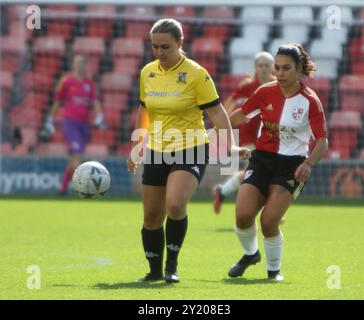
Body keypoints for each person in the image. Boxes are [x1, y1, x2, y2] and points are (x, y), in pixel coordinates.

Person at [126, 18, 250, 283]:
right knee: (151, 216)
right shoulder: (147, 72)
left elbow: (217, 112)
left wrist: (230, 147)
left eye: (165, 47)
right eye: (155, 46)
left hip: (191, 147)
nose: (159, 52)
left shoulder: (196, 74)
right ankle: (154, 271)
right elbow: (144, 109)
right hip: (157, 149)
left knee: (175, 204)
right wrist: (138, 146)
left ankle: (172, 265)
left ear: (180, 43)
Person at [228, 44, 328, 281]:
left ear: (299, 69)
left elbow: (322, 140)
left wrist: (309, 164)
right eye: (277, 68)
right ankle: (250, 254)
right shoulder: (264, 92)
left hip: (292, 165)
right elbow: (240, 116)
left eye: (286, 68)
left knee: (269, 221)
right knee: (242, 216)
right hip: (262, 159)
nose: (280, 73)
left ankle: (274, 273)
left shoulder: (310, 101)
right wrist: (222, 132)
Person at [213, 52, 276, 214]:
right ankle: (263, 210)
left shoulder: (277, 86)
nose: (263, 69)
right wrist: (221, 124)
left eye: (267, 65)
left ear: (273, 67)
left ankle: (222, 190)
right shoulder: (247, 86)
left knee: (253, 172)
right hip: (249, 135)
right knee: (257, 170)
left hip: (269, 134)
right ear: (255, 67)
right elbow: (230, 103)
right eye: (260, 65)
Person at [42, 54, 106, 195]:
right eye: (77, 63)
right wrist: (50, 119)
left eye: (82, 63)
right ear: (73, 65)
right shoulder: (66, 81)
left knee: (75, 158)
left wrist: (99, 116)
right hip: (70, 123)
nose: (79, 65)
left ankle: (63, 188)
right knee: (77, 155)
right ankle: (83, 187)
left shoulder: (89, 83)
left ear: (85, 65)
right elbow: (58, 101)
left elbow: (95, 101)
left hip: (84, 124)